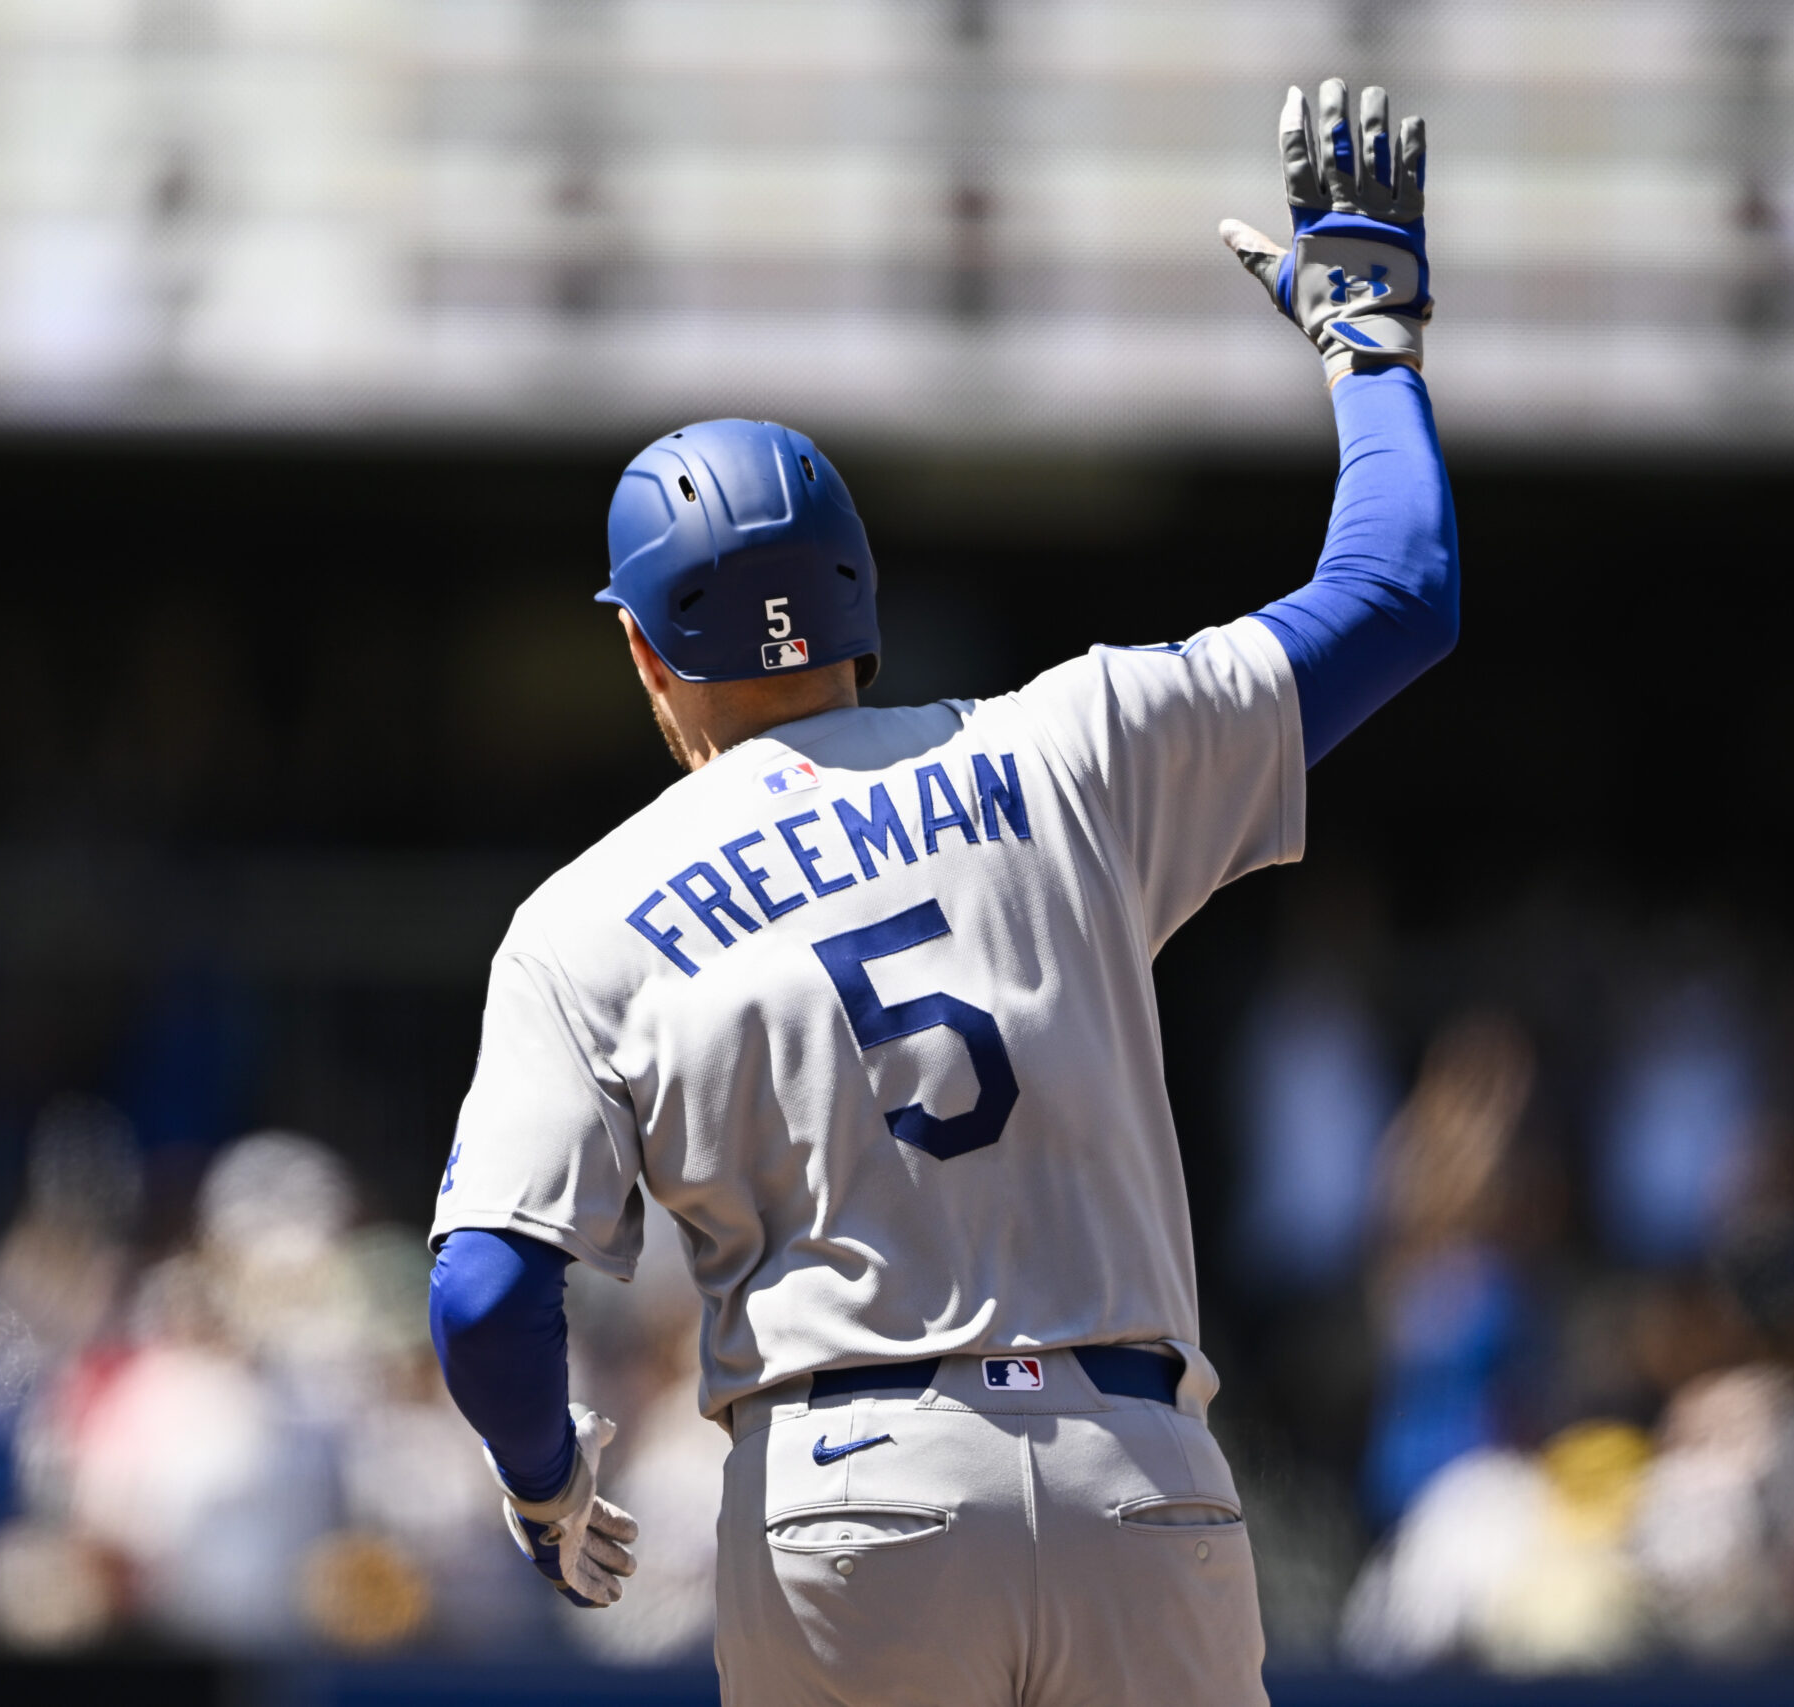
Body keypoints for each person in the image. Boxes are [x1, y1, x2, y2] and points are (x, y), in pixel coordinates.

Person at [428, 75, 1457, 1706]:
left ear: (641, 651)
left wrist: (547, 1482)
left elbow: (487, 1287)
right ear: (862, 604)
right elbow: (1401, 590)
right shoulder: (1071, 740)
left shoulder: (583, 918)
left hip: (852, 1493)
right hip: (1138, 1474)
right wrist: (1369, 352)